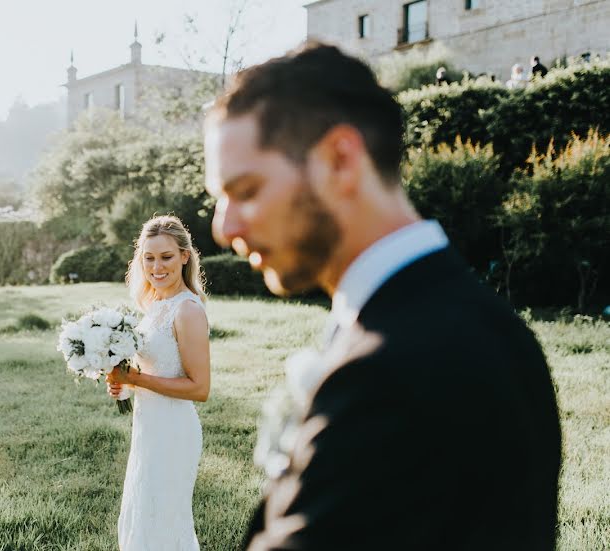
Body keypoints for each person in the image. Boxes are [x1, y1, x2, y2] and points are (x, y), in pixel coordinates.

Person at [202, 41, 561, 550]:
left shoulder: (392, 369)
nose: (223, 227)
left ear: (340, 161)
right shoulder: (493, 327)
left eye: (246, 191)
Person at [106, 215, 211, 550]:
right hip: (148, 426)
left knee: (165, 521)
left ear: (184, 256)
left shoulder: (187, 311)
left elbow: (199, 388)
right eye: (148, 258)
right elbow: (155, 368)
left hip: (174, 431)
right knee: (143, 515)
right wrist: (124, 384)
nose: (156, 266)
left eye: (166, 257)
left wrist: (136, 378)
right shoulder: (154, 305)